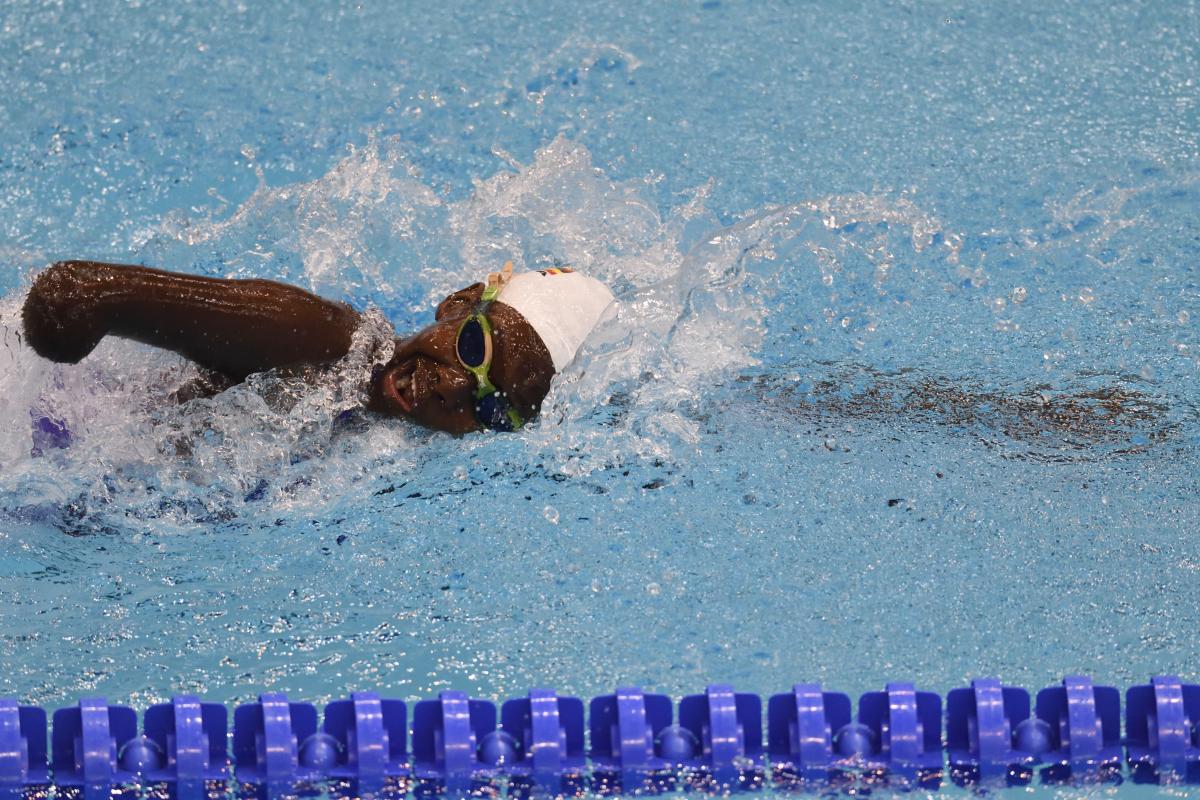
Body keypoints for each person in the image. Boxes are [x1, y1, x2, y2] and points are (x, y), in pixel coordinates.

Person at [20, 259, 615, 434]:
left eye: (491, 407)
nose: (455, 387)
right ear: (458, 302)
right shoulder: (320, 338)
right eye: (471, 346)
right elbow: (73, 295)